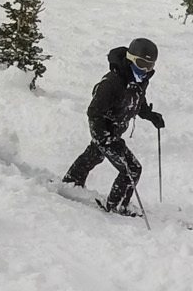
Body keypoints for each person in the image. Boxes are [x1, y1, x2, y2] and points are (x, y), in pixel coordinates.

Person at [61, 38, 164, 214]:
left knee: (94, 154)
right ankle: (117, 206)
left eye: (149, 66)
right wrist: (103, 137)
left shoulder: (138, 80)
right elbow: (94, 112)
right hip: (105, 131)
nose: (145, 70)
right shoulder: (112, 83)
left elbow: (137, 101)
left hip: (114, 130)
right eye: (141, 63)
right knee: (132, 168)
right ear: (130, 59)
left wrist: (149, 115)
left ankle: (70, 183)